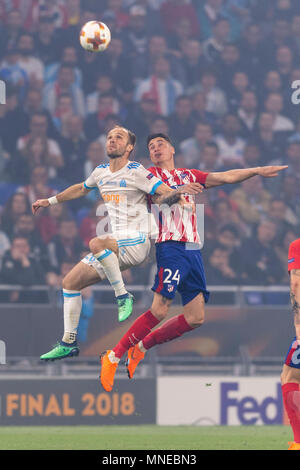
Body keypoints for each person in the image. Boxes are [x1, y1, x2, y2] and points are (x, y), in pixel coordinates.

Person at [99, 132, 288, 392]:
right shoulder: (149, 176)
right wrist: (178, 192)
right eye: (151, 146)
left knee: (196, 318)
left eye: (160, 144)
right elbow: (160, 199)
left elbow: (225, 176)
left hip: (192, 250)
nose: (155, 148)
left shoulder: (189, 175)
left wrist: (256, 170)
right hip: (170, 246)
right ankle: (113, 355)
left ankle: (140, 348)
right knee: (160, 309)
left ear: (172, 149)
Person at [32, 126, 202, 361]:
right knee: (70, 283)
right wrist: (49, 201)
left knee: (96, 242)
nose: (112, 140)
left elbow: (162, 191)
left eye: (118, 137)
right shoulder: (100, 171)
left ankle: (123, 296)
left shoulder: (137, 171)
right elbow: (81, 188)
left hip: (139, 240)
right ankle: (68, 342)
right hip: (116, 244)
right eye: (109, 137)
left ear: (129, 147)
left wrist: (181, 195)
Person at [281, 238, 300, 450]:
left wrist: (298, 323)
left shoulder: (297, 245)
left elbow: (296, 283)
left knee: (290, 377)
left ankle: (299, 442)